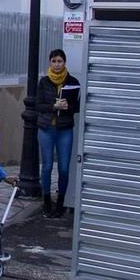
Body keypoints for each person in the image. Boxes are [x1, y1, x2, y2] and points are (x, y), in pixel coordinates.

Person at [39, 48, 82, 218]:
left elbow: (77, 106)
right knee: (47, 166)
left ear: (64, 63)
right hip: (46, 128)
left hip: (64, 128)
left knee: (63, 168)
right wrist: (53, 107)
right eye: (54, 61)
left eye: (60, 61)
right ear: (50, 63)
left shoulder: (72, 81)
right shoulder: (44, 82)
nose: (57, 65)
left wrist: (67, 107)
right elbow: (38, 105)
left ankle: (61, 201)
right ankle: (47, 201)